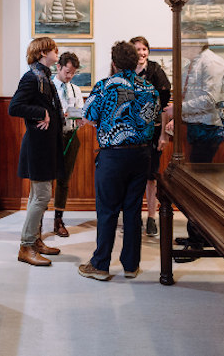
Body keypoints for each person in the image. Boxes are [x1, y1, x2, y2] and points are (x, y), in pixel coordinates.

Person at [78, 41, 160, 281]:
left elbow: (89, 117)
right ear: (136, 61)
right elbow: (153, 119)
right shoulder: (149, 88)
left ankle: (101, 265)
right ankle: (131, 266)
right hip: (141, 154)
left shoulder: (104, 87)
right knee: (133, 210)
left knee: (107, 210)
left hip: (113, 155)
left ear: (113, 63)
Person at [159, 25, 224, 261]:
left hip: (207, 129)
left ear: (197, 41)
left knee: (199, 187)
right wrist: (178, 118)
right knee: (193, 183)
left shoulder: (211, 63)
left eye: (184, 42)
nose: (181, 47)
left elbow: (210, 100)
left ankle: (199, 239)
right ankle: (196, 235)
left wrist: (177, 110)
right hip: (195, 127)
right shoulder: (194, 64)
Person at [9, 37, 65, 266]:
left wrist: (44, 113)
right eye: (54, 49)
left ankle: (35, 241)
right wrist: (41, 112)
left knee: (37, 195)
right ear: (43, 53)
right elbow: (15, 107)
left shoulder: (43, 76)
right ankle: (26, 246)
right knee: (41, 196)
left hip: (45, 144)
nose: (57, 52)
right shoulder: (32, 77)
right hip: (38, 145)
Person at [130, 36, 171, 237]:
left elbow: (164, 106)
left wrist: (164, 134)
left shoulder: (155, 71)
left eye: (144, 49)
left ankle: (152, 217)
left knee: (150, 177)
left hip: (153, 130)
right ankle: (134, 215)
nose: (142, 53)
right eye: (137, 49)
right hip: (130, 133)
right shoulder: (125, 70)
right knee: (132, 176)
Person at [51, 51, 86, 237]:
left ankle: (58, 219)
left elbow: (80, 110)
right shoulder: (49, 87)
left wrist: (80, 119)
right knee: (46, 179)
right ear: (58, 67)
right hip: (52, 139)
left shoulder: (75, 90)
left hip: (71, 136)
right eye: (67, 71)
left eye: (73, 73)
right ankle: (38, 221)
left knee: (64, 179)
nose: (70, 76)